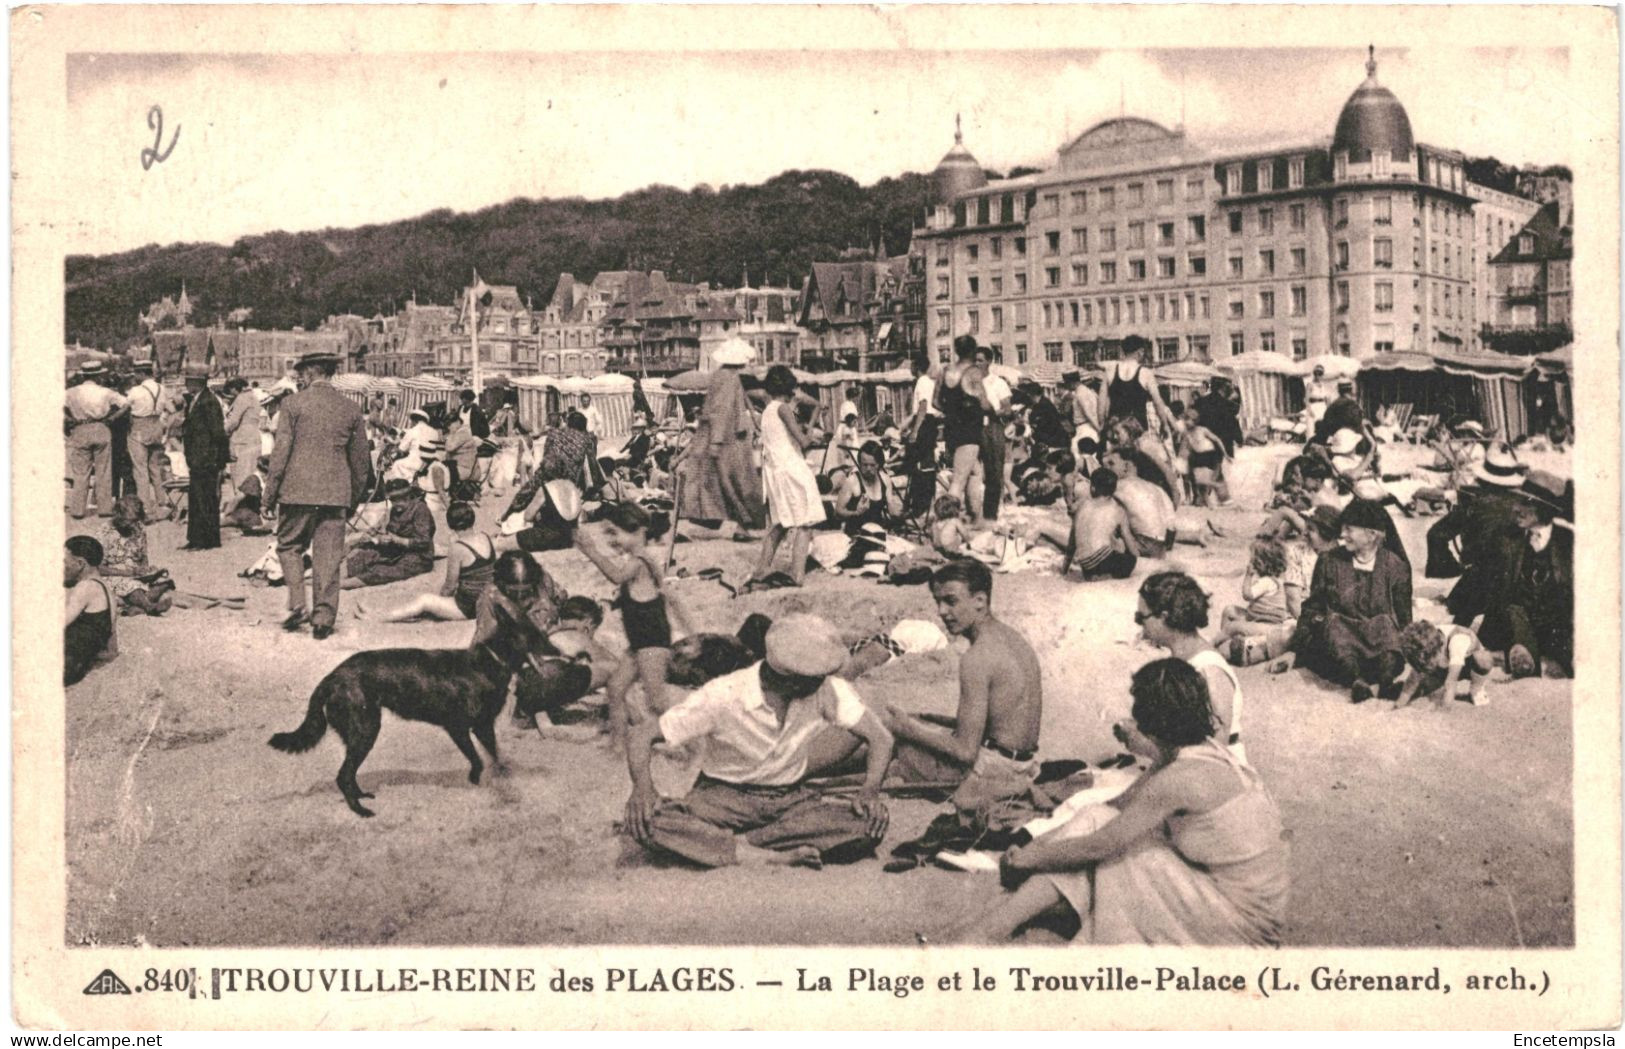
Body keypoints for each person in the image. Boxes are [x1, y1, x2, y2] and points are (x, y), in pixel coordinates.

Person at [939, 659, 1288, 946]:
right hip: (1240, 902)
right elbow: (1118, 806)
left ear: (1153, 725)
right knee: (1100, 819)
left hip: (1242, 928)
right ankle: (1002, 920)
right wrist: (1040, 847)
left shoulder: (1178, 779)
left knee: (1118, 848)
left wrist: (1032, 855)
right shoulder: (1209, 752)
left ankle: (992, 927)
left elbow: (1100, 844)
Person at [621, 613, 895, 869]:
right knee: (651, 822)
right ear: (792, 679)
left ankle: (739, 845)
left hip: (790, 798)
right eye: (816, 677)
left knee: (865, 826)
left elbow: (881, 738)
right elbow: (642, 735)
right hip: (722, 798)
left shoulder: (826, 689)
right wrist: (643, 789)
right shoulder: (724, 694)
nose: (824, 680)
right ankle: (763, 852)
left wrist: (870, 790)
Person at [876, 560, 1045, 820]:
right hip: (1019, 761)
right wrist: (929, 723)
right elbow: (1003, 719)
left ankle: (800, 767)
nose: (942, 611)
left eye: (951, 601)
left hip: (992, 769)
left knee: (885, 732)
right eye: (938, 602)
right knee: (912, 724)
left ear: (980, 600)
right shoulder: (1013, 640)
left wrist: (909, 729)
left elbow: (965, 751)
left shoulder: (977, 658)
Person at [263, 351, 371, 640]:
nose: (299, 378)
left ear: (310, 373)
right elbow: (362, 463)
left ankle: (298, 602)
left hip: (296, 493)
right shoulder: (350, 408)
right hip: (336, 494)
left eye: (302, 373)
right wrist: (353, 498)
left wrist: (269, 495)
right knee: (328, 557)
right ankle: (323, 619)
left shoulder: (292, 404)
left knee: (288, 547)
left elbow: (280, 454)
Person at [1271, 499, 1413, 703]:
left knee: (1386, 625)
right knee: (1334, 623)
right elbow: (1312, 610)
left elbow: (1405, 619)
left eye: (1349, 529)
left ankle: (1382, 681)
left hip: (1380, 644)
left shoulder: (1395, 566)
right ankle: (1359, 682)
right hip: (1341, 644)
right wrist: (1296, 651)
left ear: (1371, 534)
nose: (1342, 534)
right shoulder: (1329, 561)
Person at [575, 503, 689, 747]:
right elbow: (668, 596)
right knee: (615, 689)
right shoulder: (643, 560)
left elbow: (616, 576)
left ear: (638, 531)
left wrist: (591, 551)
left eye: (616, 533)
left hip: (652, 642)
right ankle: (618, 744)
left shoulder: (639, 561)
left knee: (657, 701)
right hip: (638, 643)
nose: (613, 539)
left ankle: (695, 742)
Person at [1136, 572, 1244, 759]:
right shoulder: (1184, 657)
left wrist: (1147, 748)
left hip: (1218, 772)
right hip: (1191, 766)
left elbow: (1216, 749)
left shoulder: (1208, 670)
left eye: (1141, 617)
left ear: (1163, 617)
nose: (1139, 625)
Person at [1478, 472, 1573, 678]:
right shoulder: (1505, 539)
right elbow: (1479, 582)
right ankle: (1528, 661)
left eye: (1525, 503)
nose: (1516, 508)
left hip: (1556, 627)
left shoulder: (1568, 542)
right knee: (1514, 612)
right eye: (1517, 501)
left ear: (1544, 508)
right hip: (1516, 624)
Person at [1428, 441, 1528, 625]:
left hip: (1478, 579)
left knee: (1460, 626)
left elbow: (1436, 534)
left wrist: (1451, 567)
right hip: (1515, 584)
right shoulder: (1523, 506)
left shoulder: (1473, 501)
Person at [747, 365, 826, 591]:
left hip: (775, 471)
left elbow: (752, 395)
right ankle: (797, 573)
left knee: (780, 524)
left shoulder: (767, 411)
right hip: (792, 469)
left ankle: (762, 569)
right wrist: (810, 426)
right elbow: (804, 442)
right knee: (805, 522)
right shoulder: (783, 409)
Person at [675, 337, 764, 532]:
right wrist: (716, 441)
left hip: (721, 434)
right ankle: (743, 522)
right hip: (725, 436)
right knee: (733, 481)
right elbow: (721, 409)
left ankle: (739, 523)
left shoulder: (725, 376)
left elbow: (731, 404)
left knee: (725, 481)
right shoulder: (728, 378)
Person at [363, 502, 494, 623]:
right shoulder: (485, 537)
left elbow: (450, 586)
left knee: (425, 601)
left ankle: (380, 617)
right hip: (488, 603)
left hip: (469, 607)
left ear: (451, 525)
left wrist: (441, 599)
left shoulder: (457, 548)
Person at [343, 478, 436, 590]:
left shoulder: (420, 509)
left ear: (408, 497)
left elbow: (423, 542)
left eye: (399, 500)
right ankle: (336, 578)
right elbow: (389, 530)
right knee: (363, 556)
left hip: (418, 557)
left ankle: (342, 585)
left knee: (383, 572)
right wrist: (378, 537)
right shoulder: (396, 510)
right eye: (393, 501)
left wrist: (396, 540)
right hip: (397, 551)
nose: (395, 504)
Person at [65, 360, 130, 519]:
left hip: (80, 428)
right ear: (99, 376)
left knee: (81, 471)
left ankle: (78, 510)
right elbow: (127, 404)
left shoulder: (71, 392)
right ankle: (105, 508)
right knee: (103, 470)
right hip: (101, 428)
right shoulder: (106, 392)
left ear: (84, 375)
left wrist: (69, 418)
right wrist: (113, 418)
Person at [936, 336, 988, 518]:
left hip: (952, 429)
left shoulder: (946, 371)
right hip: (970, 428)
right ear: (973, 352)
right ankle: (945, 520)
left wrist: (952, 412)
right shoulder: (972, 372)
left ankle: (976, 517)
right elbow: (983, 402)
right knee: (958, 480)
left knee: (974, 472)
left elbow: (936, 402)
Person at [96, 494, 171, 616]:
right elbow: (98, 568)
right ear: (118, 515)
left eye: (135, 521)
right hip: (114, 575)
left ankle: (134, 607)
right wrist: (127, 573)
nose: (132, 525)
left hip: (135, 575)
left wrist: (147, 571)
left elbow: (142, 557)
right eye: (129, 521)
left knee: (164, 581)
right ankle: (149, 607)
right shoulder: (104, 532)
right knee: (131, 585)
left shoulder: (139, 527)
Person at [180, 364, 228, 551]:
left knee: (205, 499)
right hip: (198, 458)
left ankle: (205, 540)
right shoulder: (197, 399)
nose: (185, 383)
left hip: (206, 458)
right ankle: (196, 538)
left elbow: (218, 433)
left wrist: (220, 459)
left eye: (188, 380)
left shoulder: (208, 401)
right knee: (197, 498)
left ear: (196, 382)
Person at [1396, 620, 1495, 709]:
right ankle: (1432, 684)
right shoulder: (1426, 641)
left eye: (1428, 664)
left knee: (1483, 659)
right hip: (1444, 666)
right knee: (1423, 686)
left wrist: (1444, 711)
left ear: (1438, 650)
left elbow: (1451, 682)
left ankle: (1477, 688)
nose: (1426, 667)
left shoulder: (1457, 641)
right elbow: (1411, 681)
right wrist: (1398, 706)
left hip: (1469, 665)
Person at [1063, 468, 1139, 581]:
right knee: (1135, 563)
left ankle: (1100, 575)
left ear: (1092, 488)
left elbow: (1071, 543)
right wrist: (1137, 561)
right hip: (1102, 559)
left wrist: (1064, 568)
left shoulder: (1082, 505)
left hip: (1086, 566)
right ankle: (1108, 575)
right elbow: (1129, 542)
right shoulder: (1118, 510)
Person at [64, 534, 118, 685]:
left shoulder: (86, 587)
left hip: (70, 665)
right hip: (79, 662)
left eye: (64, 562)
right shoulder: (104, 586)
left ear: (80, 563)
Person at [1219, 537, 1292, 643]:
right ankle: (1226, 639)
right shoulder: (1275, 580)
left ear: (1263, 563)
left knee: (1233, 625)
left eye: (1254, 560)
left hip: (1265, 624)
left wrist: (1248, 576)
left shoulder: (1266, 582)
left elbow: (1247, 595)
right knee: (1229, 610)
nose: (1251, 562)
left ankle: (1222, 640)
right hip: (1258, 618)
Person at [124, 359, 168, 521]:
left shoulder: (135, 391)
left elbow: (125, 408)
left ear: (141, 373)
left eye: (136, 374)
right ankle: (163, 504)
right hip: (156, 427)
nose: (135, 377)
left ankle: (146, 509)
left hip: (139, 428)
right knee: (156, 468)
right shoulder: (162, 388)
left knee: (140, 470)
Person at [975, 346, 1012, 521]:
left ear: (989, 362)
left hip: (992, 426)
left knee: (994, 471)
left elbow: (1007, 409)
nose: (976, 363)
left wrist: (992, 411)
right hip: (973, 426)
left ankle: (991, 513)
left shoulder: (998, 382)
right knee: (972, 471)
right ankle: (973, 512)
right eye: (975, 360)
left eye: (980, 360)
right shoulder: (970, 382)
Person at [833, 440, 902, 535]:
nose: (868, 469)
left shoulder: (885, 480)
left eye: (872, 465)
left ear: (879, 464)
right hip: (856, 534)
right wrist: (856, 513)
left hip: (877, 532)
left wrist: (898, 513)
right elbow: (838, 512)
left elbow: (891, 509)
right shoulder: (852, 481)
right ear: (860, 463)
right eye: (864, 465)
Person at [222, 377, 263, 499]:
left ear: (234, 388)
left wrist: (221, 432)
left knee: (241, 478)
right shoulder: (253, 397)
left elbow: (233, 421)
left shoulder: (242, 398)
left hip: (242, 441)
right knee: (251, 476)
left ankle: (242, 507)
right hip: (253, 439)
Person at [443, 413, 480, 492]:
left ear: (458, 422)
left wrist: (450, 435)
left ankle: (443, 496)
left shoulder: (462, 433)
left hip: (464, 470)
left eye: (449, 424)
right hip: (464, 467)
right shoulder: (463, 432)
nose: (448, 427)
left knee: (439, 471)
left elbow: (449, 448)